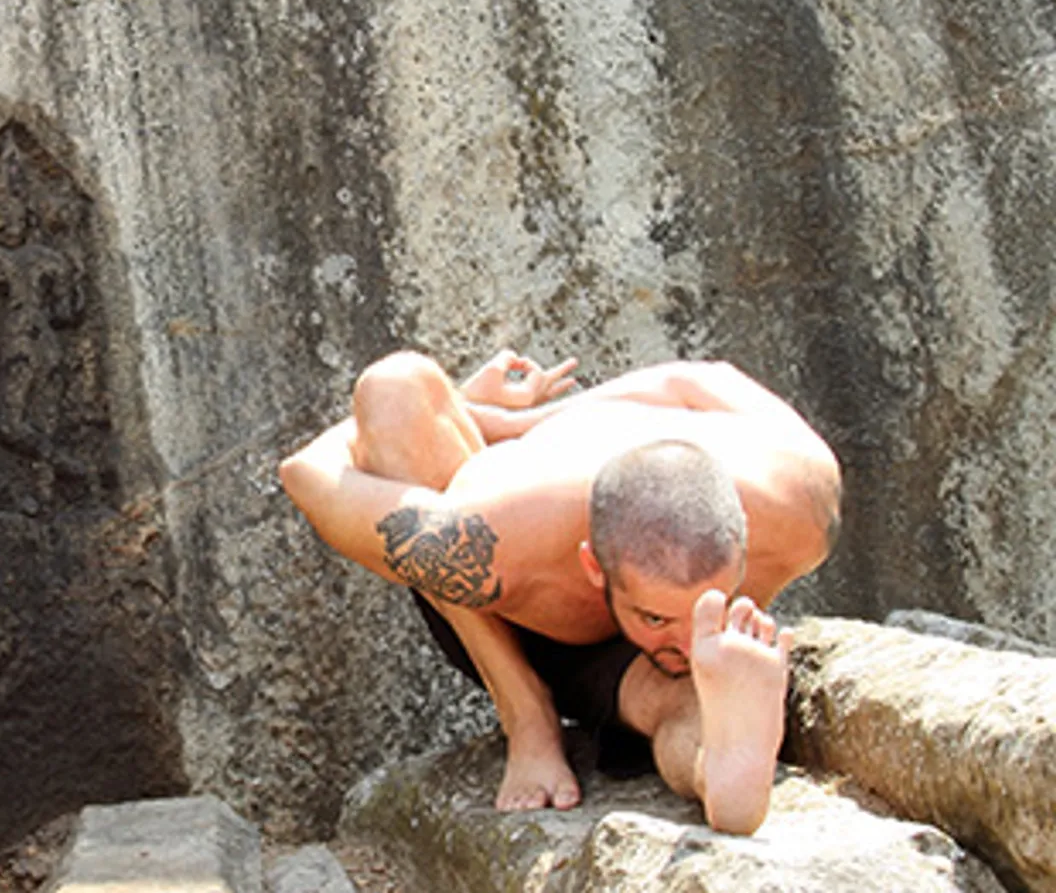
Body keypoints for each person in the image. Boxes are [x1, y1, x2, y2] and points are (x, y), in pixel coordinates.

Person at [279, 349, 842, 835]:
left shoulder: (801, 491)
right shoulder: (481, 540)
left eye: (703, 611)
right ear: (593, 567)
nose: (686, 642)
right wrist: (467, 410)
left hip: (623, 641)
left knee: (678, 697)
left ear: (741, 543)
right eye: (656, 618)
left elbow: (696, 379)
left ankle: (721, 765)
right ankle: (528, 712)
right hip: (516, 615)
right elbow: (304, 472)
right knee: (394, 388)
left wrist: (506, 416)